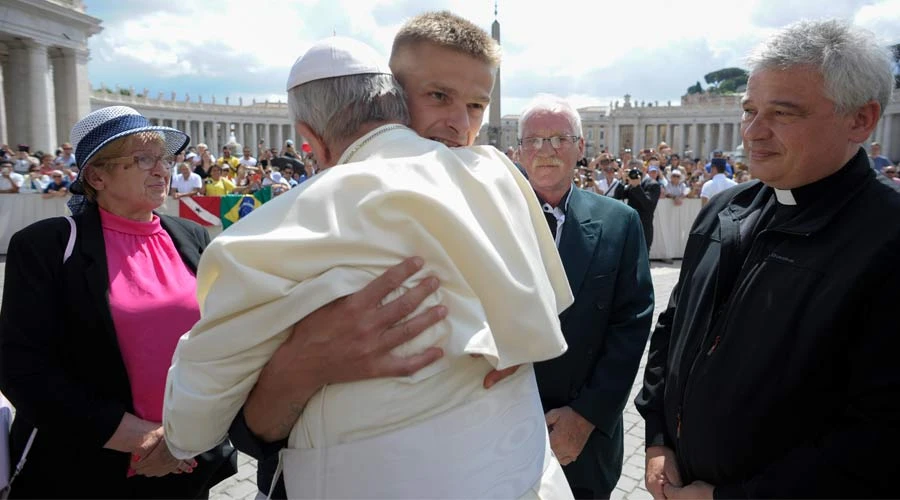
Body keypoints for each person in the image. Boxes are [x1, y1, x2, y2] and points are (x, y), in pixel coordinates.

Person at [164, 36, 575, 499]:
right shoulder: (497, 174)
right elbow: (551, 305)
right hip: (521, 475)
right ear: (399, 104)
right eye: (439, 97)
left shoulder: (265, 236)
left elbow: (190, 428)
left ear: (310, 139)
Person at [635, 19, 900, 499]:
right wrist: (657, 439)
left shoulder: (888, 238)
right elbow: (673, 328)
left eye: (782, 113)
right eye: (749, 109)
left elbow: (881, 436)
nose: (752, 133)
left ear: (860, 120)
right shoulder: (724, 209)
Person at [0, 106, 237, 497]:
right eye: (143, 159)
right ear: (97, 176)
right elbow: (22, 369)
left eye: (165, 157)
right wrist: (139, 438)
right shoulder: (48, 245)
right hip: (84, 466)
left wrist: (186, 439)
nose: (162, 169)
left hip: (187, 465)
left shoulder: (192, 235)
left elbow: (221, 343)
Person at [517, 94, 654, 499]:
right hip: (501, 423)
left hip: (584, 433)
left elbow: (632, 325)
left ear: (581, 146)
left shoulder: (620, 221)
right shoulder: (486, 220)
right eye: (535, 140)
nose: (546, 151)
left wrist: (587, 416)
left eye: (560, 138)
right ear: (519, 150)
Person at [623, 158, 661, 251]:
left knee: (642, 258)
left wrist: (637, 187)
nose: (635, 172)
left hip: (643, 227)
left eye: (637, 169)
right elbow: (619, 195)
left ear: (644, 169)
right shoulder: (630, 183)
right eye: (632, 170)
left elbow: (649, 205)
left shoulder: (653, 184)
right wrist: (623, 181)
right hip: (630, 226)